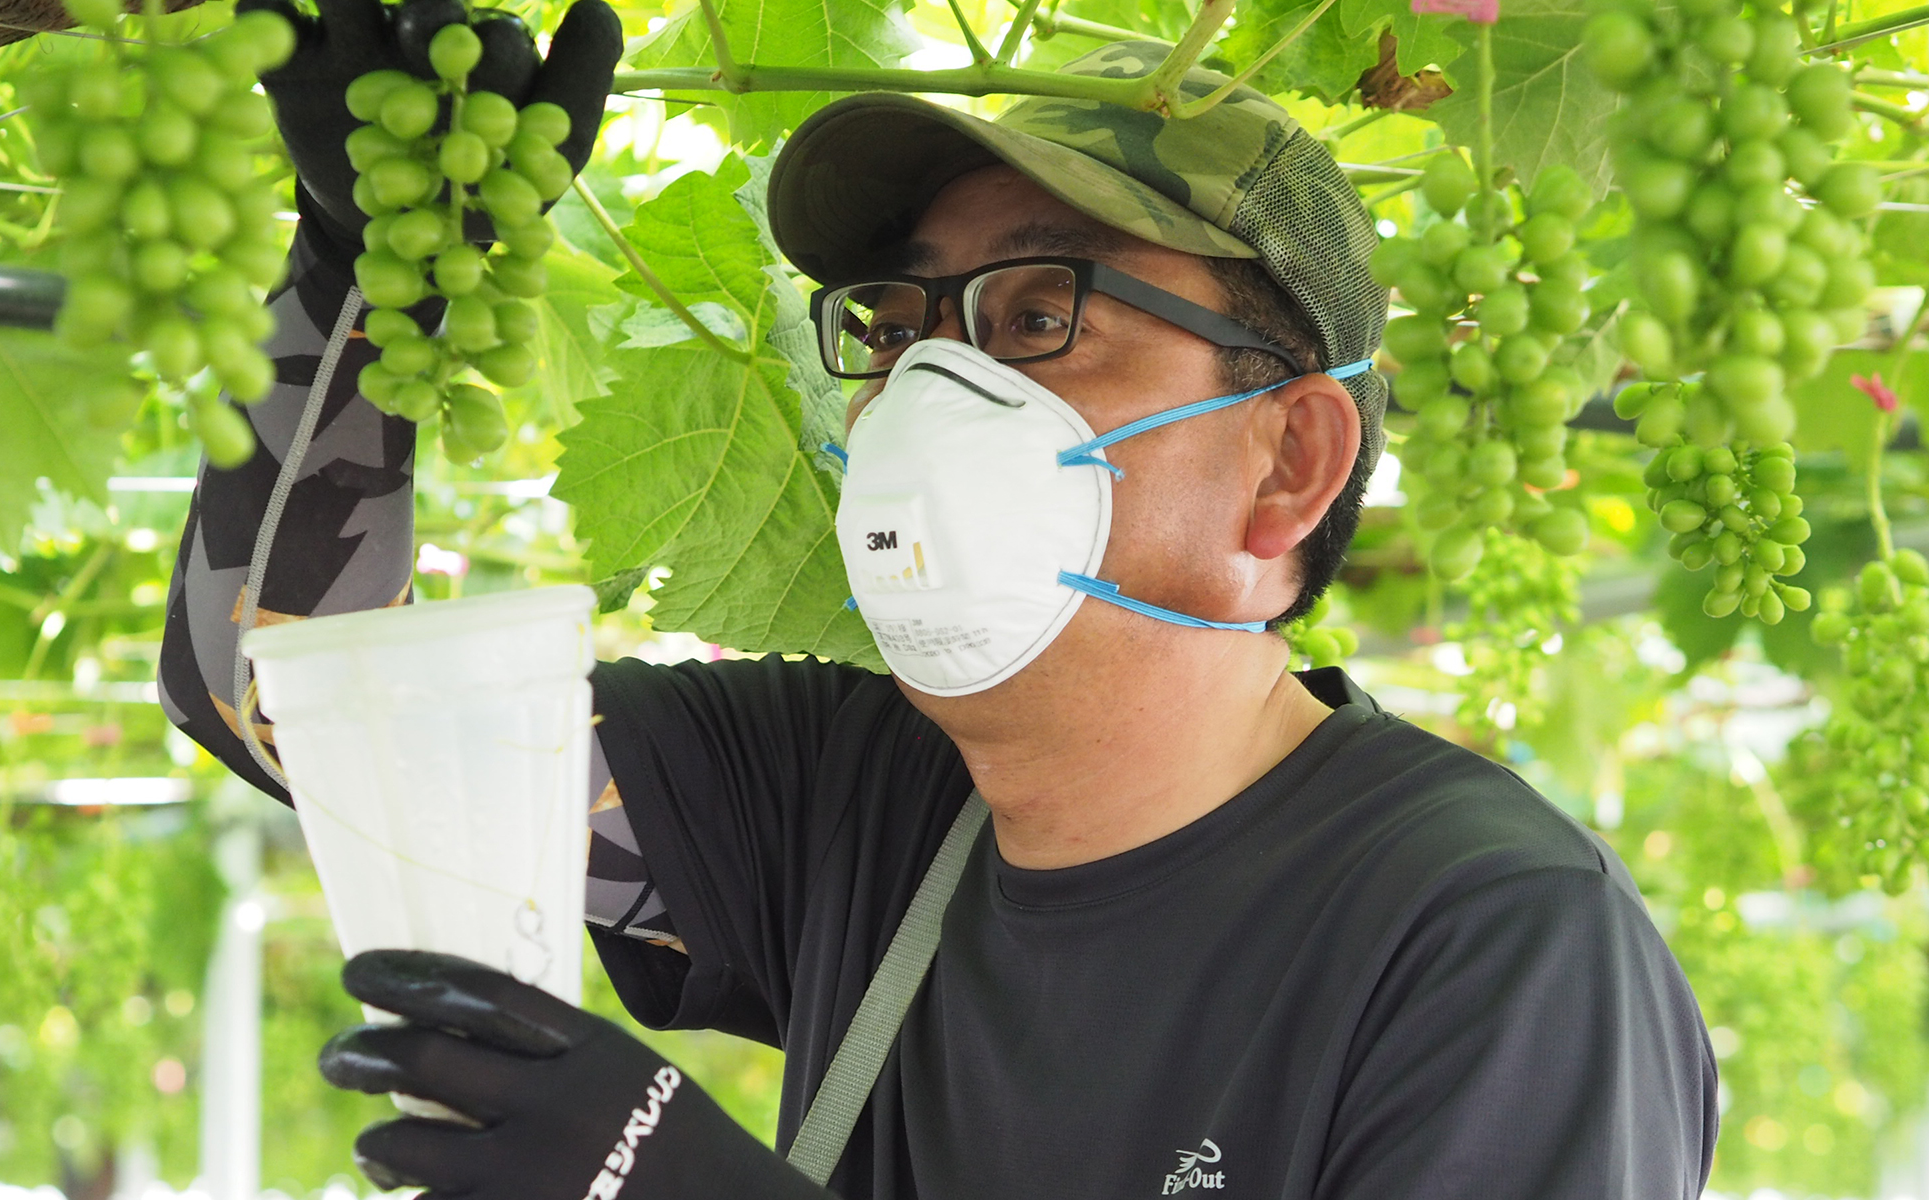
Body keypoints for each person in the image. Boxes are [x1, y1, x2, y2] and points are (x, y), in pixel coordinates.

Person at [158, 1, 1721, 1196]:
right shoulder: (849, 800)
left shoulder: (1489, 943)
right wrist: (369, 279)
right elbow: (292, 689)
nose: (933, 389)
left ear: (1288, 464)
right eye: (904, 325)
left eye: (1043, 313)